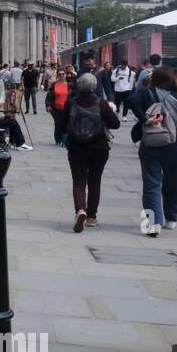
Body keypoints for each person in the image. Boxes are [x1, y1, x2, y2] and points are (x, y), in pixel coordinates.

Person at [128, 67, 177, 236]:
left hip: (149, 142)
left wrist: (145, 119)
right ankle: (171, 217)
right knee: (171, 179)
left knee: (151, 183)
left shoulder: (145, 93)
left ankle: (152, 223)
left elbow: (131, 100)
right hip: (172, 144)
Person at [59, 73, 120, 232]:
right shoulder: (102, 103)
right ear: (94, 87)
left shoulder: (71, 103)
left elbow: (62, 125)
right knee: (95, 180)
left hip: (76, 147)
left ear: (79, 86)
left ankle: (80, 209)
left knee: (78, 181)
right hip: (99, 147)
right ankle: (92, 217)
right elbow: (115, 124)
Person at [45, 71, 72, 146]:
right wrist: (48, 106)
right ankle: (58, 140)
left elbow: (74, 96)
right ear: (57, 76)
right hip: (56, 109)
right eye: (60, 74)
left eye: (63, 74)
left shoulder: (70, 85)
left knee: (67, 124)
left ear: (66, 75)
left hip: (67, 109)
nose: (62, 76)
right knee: (58, 124)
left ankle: (66, 140)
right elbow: (49, 97)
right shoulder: (54, 85)